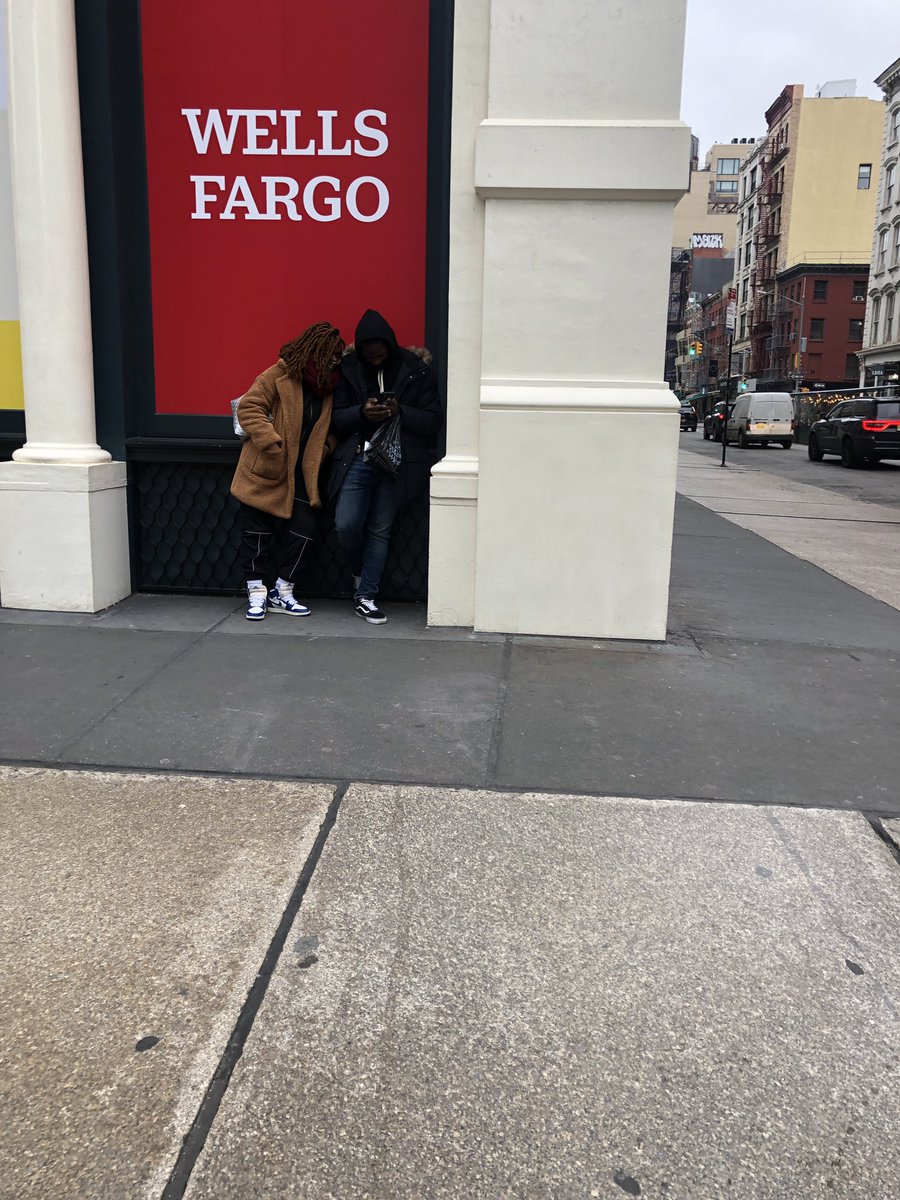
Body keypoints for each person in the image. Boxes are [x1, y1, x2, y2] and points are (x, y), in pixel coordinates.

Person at [329, 310, 442, 624]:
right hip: (359, 455)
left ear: (391, 347)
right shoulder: (349, 370)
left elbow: (434, 420)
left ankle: (366, 595)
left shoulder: (416, 370)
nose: (376, 361)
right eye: (369, 357)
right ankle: (360, 573)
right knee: (346, 524)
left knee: (380, 529)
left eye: (380, 355)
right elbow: (335, 417)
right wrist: (362, 413)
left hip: (398, 461)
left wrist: (400, 411)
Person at [231, 322, 344, 620]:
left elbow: (332, 428)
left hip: (303, 475)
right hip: (267, 467)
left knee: (304, 532)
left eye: (338, 356)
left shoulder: (328, 387)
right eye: (330, 355)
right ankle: (256, 594)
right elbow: (249, 407)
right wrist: (270, 441)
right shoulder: (278, 374)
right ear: (314, 351)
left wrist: (325, 448)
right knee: (256, 534)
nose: (335, 361)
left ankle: (282, 591)